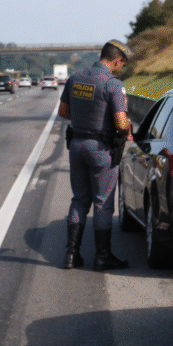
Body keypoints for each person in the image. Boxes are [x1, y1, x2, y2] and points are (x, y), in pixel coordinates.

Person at [59, 39, 134, 270]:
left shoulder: (76, 78)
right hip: (101, 150)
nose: (120, 68)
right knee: (102, 203)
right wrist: (128, 129)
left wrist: (85, 120)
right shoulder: (112, 84)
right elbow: (121, 124)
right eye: (121, 64)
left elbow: (63, 112)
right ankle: (102, 257)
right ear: (116, 61)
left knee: (79, 200)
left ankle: (71, 255)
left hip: (77, 145)